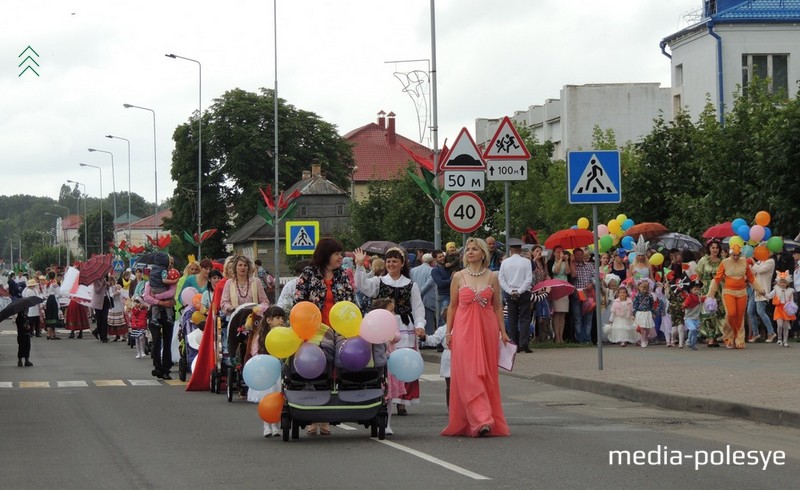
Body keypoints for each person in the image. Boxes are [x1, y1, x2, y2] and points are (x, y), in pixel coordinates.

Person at [441, 237, 510, 438]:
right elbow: (452, 307)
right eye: (468, 249)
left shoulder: (492, 277)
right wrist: (448, 331)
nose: (469, 252)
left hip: (487, 329)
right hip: (463, 330)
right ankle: (481, 419)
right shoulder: (458, 277)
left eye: (474, 249)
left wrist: (503, 332)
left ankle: (484, 418)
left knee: (486, 374)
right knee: (469, 373)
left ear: (483, 253)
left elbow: (497, 306)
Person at [355, 245, 426, 419]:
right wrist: (359, 265)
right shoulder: (379, 282)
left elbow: (418, 307)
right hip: (383, 325)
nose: (391, 264)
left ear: (402, 264)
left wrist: (420, 324)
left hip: (405, 326)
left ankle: (402, 401)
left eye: (395, 261)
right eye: (388, 261)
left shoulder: (410, 285)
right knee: (385, 360)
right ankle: (387, 397)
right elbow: (363, 285)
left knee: (404, 361)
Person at [296, 238, 355, 436]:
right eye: (337, 254)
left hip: (338, 329)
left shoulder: (343, 275)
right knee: (316, 368)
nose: (341, 257)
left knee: (335, 369)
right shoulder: (309, 274)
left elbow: (351, 302)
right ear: (326, 254)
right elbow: (299, 302)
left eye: (341, 254)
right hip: (314, 330)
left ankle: (327, 415)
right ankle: (314, 416)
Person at [707, 243, 765, 349]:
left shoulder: (744, 262)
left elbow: (751, 277)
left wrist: (760, 289)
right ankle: (728, 337)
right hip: (728, 292)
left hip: (742, 292)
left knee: (739, 316)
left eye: (737, 255)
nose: (735, 257)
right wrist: (711, 293)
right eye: (733, 255)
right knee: (731, 314)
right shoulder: (725, 262)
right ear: (730, 254)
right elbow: (717, 278)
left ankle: (739, 339)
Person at [245, 305, 286, 437]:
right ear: (269, 320)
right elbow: (255, 351)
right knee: (266, 397)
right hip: (265, 371)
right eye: (278, 318)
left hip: (278, 370)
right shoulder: (260, 336)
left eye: (282, 318)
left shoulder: (283, 335)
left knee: (277, 396)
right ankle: (266, 425)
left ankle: (275, 425)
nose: (281, 321)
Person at [498, 238, 533, 353]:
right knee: (525, 318)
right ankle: (524, 343)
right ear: (520, 249)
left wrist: (509, 290)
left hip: (510, 293)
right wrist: (520, 291)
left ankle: (514, 344)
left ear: (511, 250)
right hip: (523, 293)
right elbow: (529, 279)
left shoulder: (505, 262)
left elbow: (501, 279)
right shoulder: (526, 262)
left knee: (512, 318)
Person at [418, 308, 451, 408]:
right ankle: (450, 405)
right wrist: (425, 338)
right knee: (450, 384)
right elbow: (434, 340)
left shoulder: (464, 327)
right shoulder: (443, 329)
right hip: (449, 357)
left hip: (462, 358)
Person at [696, 239, 725, 347]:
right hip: (707, 288)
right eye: (713, 247)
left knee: (719, 313)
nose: (715, 250)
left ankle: (719, 335)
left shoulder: (723, 260)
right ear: (709, 248)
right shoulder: (703, 260)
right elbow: (698, 275)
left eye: (717, 248)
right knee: (708, 313)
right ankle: (710, 337)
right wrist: (698, 289)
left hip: (720, 288)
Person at [748, 253, 777, 343]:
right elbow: (753, 272)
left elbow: (760, 270)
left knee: (761, 311)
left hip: (763, 290)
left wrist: (753, 262)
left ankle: (771, 332)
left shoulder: (770, 261)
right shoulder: (760, 262)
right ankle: (756, 333)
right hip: (755, 289)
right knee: (750, 311)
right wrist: (749, 265)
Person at [569, 247, 595, 344]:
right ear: (574, 255)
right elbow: (573, 276)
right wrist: (571, 263)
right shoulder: (572, 266)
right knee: (578, 318)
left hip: (588, 295)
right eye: (577, 254)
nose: (579, 256)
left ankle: (587, 339)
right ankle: (580, 339)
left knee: (588, 318)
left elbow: (595, 276)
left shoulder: (589, 265)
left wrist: (591, 283)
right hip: (577, 294)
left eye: (581, 254)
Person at [764, 271, 796, 347]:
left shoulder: (790, 291)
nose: (782, 284)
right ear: (778, 282)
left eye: (784, 282)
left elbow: (792, 302)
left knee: (786, 326)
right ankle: (779, 339)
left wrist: (791, 310)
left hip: (786, 309)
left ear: (787, 283)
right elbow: (769, 296)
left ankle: (785, 341)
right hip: (778, 309)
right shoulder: (775, 290)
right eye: (781, 282)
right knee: (780, 325)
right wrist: (764, 294)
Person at [410, 252, 437, 336]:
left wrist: (416, 293)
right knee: (428, 321)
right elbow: (429, 283)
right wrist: (420, 292)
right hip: (427, 299)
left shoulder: (413, 270)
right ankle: (426, 339)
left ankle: (419, 339)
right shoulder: (432, 270)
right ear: (432, 261)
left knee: (417, 319)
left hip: (415, 298)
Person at [549, 246, 570, 343]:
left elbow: (567, 272)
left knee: (563, 314)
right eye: (558, 252)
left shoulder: (564, 262)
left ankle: (561, 336)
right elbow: (556, 271)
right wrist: (560, 259)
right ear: (554, 253)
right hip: (556, 288)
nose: (560, 253)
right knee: (556, 314)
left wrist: (566, 261)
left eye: (561, 252)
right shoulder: (552, 262)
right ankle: (556, 336)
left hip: (565, 288)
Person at [430, 249, 453, 326]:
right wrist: (452, 280)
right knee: (443, 319)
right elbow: (440, 283)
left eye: (443, 256)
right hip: (444, 296)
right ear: (435, 259)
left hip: (452, 294)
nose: (442, 258)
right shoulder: (435, 270)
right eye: (439, 257)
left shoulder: (448, 267)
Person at [632, 278, 657, 348]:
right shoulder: (637, 296)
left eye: (646, 288)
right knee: (642, 328)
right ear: (639, 288)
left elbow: (652, 305)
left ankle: (645, 339)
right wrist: (633, 314)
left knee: (647, 328)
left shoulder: (650, 296)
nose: (644, 289)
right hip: (640, 313)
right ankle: (642, 340)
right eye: (642, 288)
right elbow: (635, 305)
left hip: (648, 313)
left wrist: (653, 313)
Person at [682, 281, 702, 350]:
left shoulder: (699, 297)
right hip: (689, 318)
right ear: (691, 290)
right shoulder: (689, 297)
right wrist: (684, 306)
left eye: (698, 289)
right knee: (692, 329)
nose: (697, 291)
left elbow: (704, 299)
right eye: (695, 289)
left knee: (695, 332)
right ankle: (688, 341)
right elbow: (685, 304)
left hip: (696, 318)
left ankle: (693, 345)